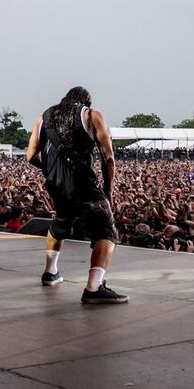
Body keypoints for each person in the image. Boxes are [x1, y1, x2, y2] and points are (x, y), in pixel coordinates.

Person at [26, 86, 126, 304]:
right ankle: (94, 287)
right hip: (83, 184)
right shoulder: (91, 115)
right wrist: (108, 190)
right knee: (106, 231)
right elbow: (108, 157)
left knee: (60, 223)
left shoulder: (42, 118)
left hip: (55, 185)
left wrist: (50, 170)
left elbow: (30, 155)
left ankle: (50, 273)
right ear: (86, 102)